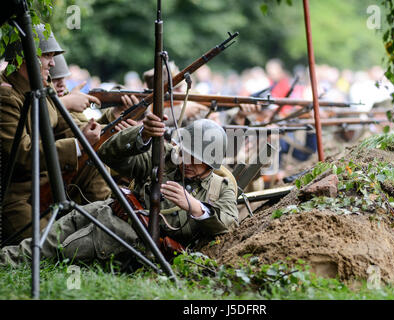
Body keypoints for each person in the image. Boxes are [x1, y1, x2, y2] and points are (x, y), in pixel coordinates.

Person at [0, 113, 239, 267]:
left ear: (211, 161)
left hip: (125, 235)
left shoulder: (221, 188)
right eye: (185, 153)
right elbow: (109, 154)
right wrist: (142, 135)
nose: (187, 162)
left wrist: (195, 207)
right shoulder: (164, 157)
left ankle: (8, 263)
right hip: (107, 210)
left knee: (53, 252)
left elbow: (229, 222)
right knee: (48, 238)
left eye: (196, 159)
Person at [0, 24, 103, 243]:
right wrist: (78, 145)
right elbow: (22, 154)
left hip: (47, 187)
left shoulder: (38, 88)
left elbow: (64, 128)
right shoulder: (6, 96)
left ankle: (103, 220)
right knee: (48, 250)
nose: (53, 63)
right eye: (46, 55)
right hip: (18, 196)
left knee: (93, 163)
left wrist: (86, 136)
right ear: (24, 58)